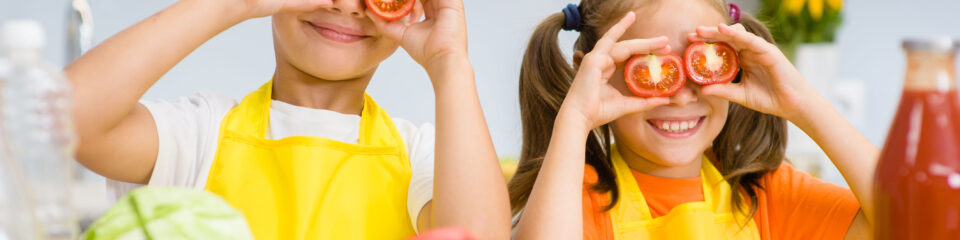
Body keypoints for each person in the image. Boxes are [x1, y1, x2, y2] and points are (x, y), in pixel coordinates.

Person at [64, 0, 510, 239]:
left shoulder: (422, 157)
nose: (348, 6)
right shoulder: (200, 134)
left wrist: (449, 61)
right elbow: (68, 118)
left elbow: (478, 237)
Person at [509, 0, 875, 239]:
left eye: (703, 64)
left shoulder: (767, 195)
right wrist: (575, 117)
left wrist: (803, 104)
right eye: (651, 71)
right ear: (593, 74)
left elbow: (914, 220)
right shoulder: (574, 199)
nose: (682, 94)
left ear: (732, 64)